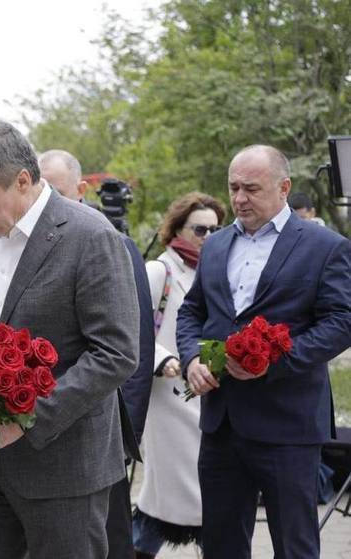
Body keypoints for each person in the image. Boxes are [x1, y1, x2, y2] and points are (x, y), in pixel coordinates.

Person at [0, 120, 140, 559]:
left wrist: (26, 420)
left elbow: (115, 353)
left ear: (22, 180)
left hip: (65, 468)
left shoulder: (90, 237)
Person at [177, 145, 351, 558]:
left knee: (294, 546)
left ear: (283, 187)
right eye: (234, 187)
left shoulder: (325, 246)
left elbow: (342, 321)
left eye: (251, 189)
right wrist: (192, 359)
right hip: (221, 425)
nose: (239, 199)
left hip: (288, 425)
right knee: (220, 545)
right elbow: (192, 311)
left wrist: (275, 361)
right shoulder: (216, 245)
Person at [39, 148, 155, 559]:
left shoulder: (111, 242)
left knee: (110, 537)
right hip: (49, 431)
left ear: (81, 189)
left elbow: (134, 350)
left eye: (55, 190)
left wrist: (130, 433)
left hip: (103, 429)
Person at [133, 192, 226, 559]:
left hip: (205, 394)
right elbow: (134, 324)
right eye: (200, 229)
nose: (207, 237)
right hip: (166, 399)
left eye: (215, 230)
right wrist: (162, 358)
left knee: (203, 492)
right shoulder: (161, 269)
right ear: (178, 228)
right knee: (168, 492)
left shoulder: (214, 268)